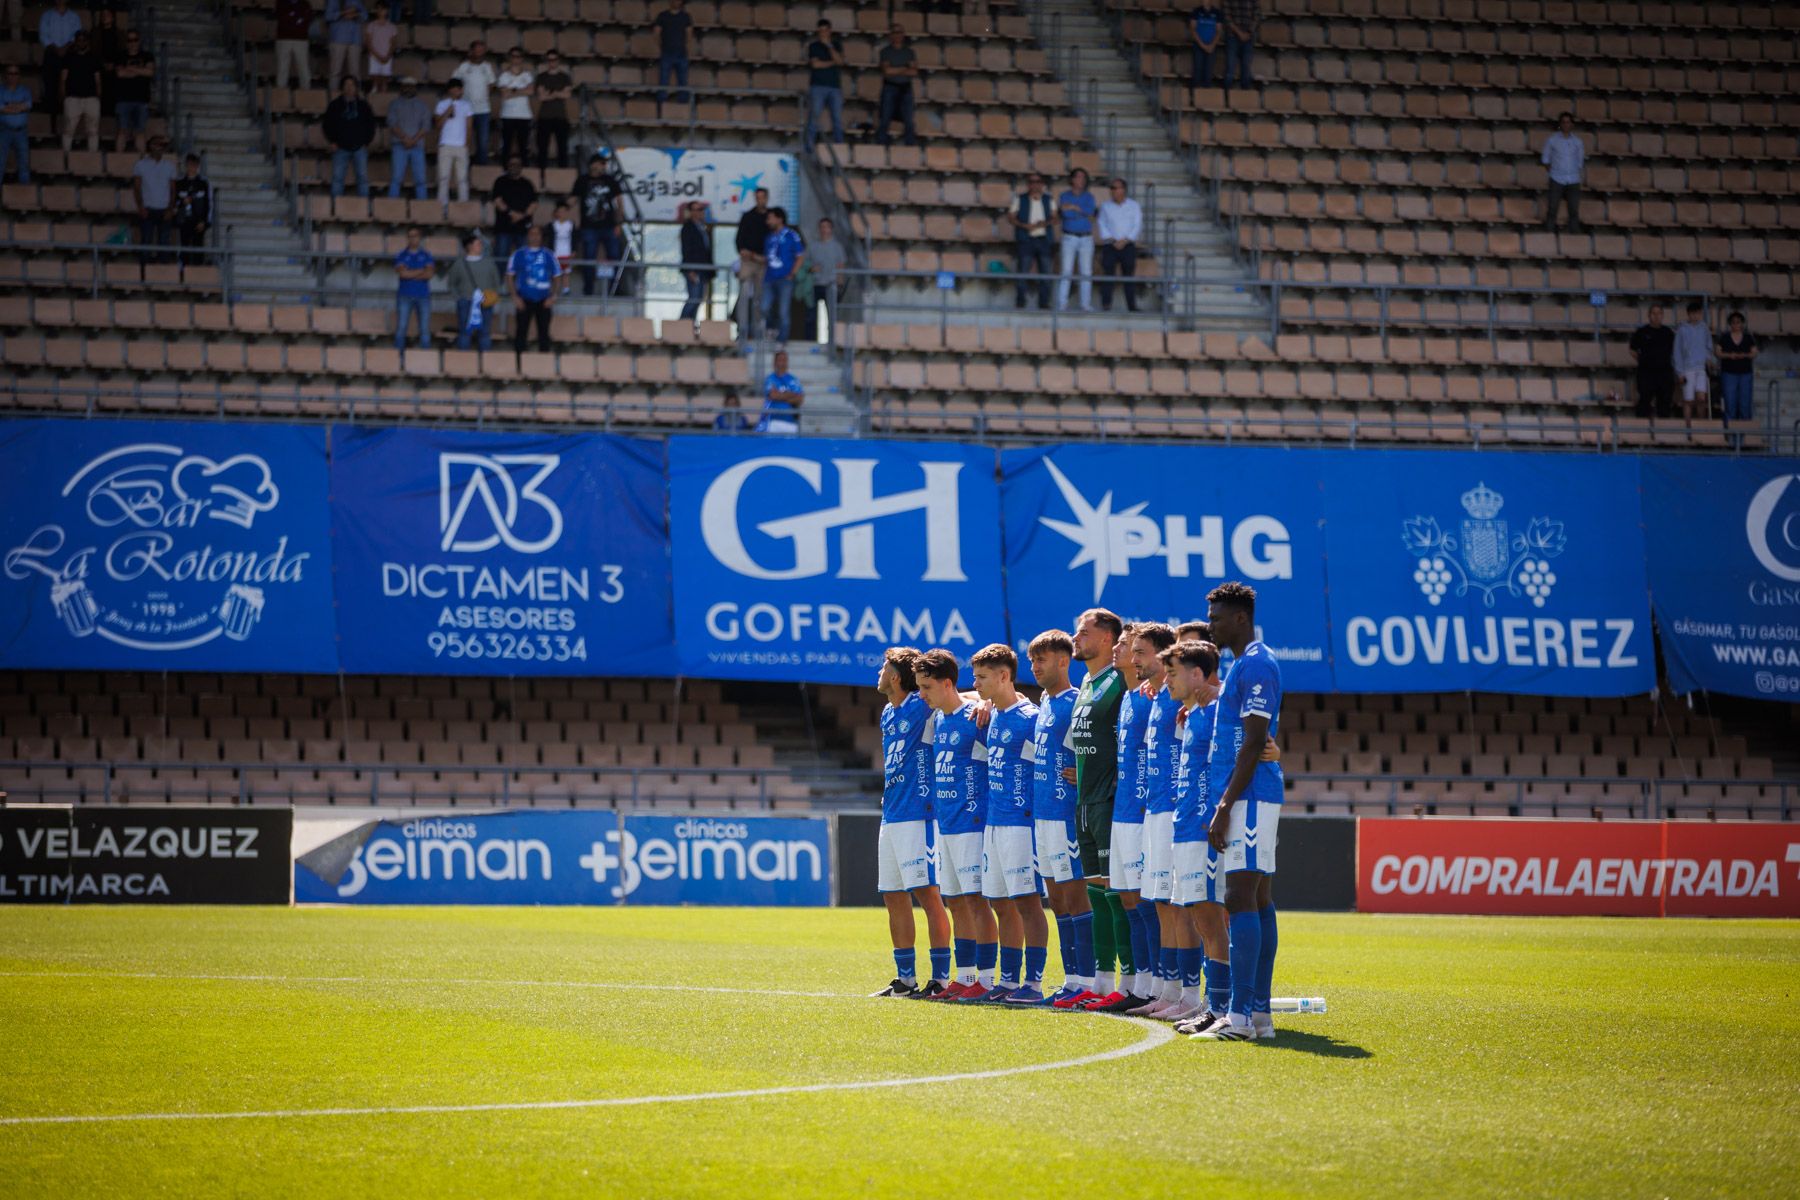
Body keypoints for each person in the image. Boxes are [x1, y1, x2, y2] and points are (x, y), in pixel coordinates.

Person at [1193, 581, 1283, 1042]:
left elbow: (1253, 741)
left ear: (1240, 619)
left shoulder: (1257, 665)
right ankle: (1259, 1015)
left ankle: (1242, 1016)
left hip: (1249, 798)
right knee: (1257, 899)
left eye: (1216, 618)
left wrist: (1226, 805)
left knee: (1239, 898)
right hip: (1249, 795)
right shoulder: (1242, 666)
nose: (1211, 626)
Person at [913, 648, 999, 1002]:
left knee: (976, 901)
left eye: (927, 687)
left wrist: (986, 702)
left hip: (972, 823)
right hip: (945, 823)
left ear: (948, 684)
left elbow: (1009, 701)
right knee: (954, 900)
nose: (922, 694)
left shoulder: (976, 717)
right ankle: (963, 977)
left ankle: (989, 978)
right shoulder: (938, 720)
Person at [1051, 607, 1127, 1010]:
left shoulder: (1119, 680)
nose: (1075, 638)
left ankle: (1131, 981)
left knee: (1117, 895)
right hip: (1085, 802)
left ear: (1105, 639)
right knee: (1096, 893)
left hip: (1110, 801)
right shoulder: (1087, 681)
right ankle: (1099, 982)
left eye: (1082, 633)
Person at [963, 643, 1047, 1005]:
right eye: (974, 677)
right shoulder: (992, 714)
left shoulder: (1030, 717)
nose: (976, 684)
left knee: (1027, 902)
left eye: (982, 677)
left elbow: (1041, 770)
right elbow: (958, 694)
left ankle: (1035, 982)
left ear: (1003, 676)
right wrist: (980, 700)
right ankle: (1009, 981)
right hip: (994, 823)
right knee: (998, 900)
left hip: (1020, 824)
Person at [870, 646, 954, 999]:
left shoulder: (922, 706)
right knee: (893, 896)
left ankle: (941, 980)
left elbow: (955, 697)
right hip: (891, 815)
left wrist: (981, 702)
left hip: (919, 816)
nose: (878, 672)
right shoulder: (888, 713)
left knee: (928, 896)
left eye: (883, 666)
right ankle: (905, 980)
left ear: (894, 675)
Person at [1023, 630, 1093, 1006]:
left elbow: (1102, 749)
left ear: (1063, 661)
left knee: (1075, 896)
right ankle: (1070, 980)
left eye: (1042, 660)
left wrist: (1088, 773)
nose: (1034, 667)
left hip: (1066, 816)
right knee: (1058, 900)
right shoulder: (1044, 704)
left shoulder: (1075, 703)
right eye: (1033, 660)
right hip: (1043, 816)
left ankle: (1087, 980)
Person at [1086, 624, 1152, 1013]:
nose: (1122, 651)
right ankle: (1137, 985)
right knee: (1128, 899)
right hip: (1122, 812)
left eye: (1130, 646)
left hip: (1144, 814)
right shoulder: (1129, 698)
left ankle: (1164, 986)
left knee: (1153, 902)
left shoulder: (1148, 699)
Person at [1120, 622, 1182, 1016]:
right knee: (1160, 902)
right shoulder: (1154, 698)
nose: (1134, 659)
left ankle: (1191, 995)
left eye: (1141, 652)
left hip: (1176, 814)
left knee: (1181, 905)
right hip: (1153, 811)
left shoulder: (1179, 700)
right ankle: (1168, 990)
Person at [506, 223, 560, 357]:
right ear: (527, 236)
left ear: (542, 237)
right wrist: (515, 297)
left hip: (543, 299)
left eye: (537, 234)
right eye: (532, 234)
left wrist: (553, 296)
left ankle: (543, 365)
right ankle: (519, 363)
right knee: (521, 332)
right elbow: (509, 277)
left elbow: (557, 277)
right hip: (524, 299)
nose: (534, 237)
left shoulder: (549, 255)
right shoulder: (518, 254)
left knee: (544, 333)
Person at [573, 152, 621, 297]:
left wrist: (619, 222)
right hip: (589, 226)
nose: (604, 167)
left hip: (609, 225)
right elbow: (574, 201)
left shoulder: (610, 180)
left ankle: (614, 290)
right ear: (593, 164)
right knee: (589, 258)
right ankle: (588, 290)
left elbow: (619, 202)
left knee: (614, 256)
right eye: (602, 163)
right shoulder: (582, 180)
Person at [446, 232, 501, 351]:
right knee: (465, 333)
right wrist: (459, 298)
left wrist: (492, 296)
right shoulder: (459, 264)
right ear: (469, 246)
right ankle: (464, 363)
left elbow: (496, 282)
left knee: (485, 333)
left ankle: (485, 363)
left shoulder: (489, 263)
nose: (480, 246)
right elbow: (451, 283)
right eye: (478, 244)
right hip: (466, 301)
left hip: (485, 302)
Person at [1008, 172, 1055, 310]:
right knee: (1023, 271)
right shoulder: (1020, 199)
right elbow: (1010, 217)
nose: (1035, 184)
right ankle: (1020, 302)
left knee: (1045, 272)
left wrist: (1044, 223)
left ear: (1042, 184)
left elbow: (1056, 218)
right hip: (1026, 239)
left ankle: (1044, 302)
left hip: (1043, 239)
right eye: (1032, 182)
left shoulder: (1048, 199)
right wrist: (1024, 226)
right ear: (1028, 184)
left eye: (1037, 181)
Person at [322, 75, 375, 198]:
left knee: (362, 178)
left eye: (352, 85)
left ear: (356, 88)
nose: (349, 88)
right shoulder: (334, 105)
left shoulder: (364, 106)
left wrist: (366, 142)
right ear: (342, 88)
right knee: (337, 178)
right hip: (340, 147)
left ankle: (364, 207)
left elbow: (371, 125)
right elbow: (327, 125)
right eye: (346, 85)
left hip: (360, 147)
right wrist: (332, 141)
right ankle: (335, 206)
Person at [1097, 177, 1142, 312]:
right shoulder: (1105, 206)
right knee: (1107, 275)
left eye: (1116, 188)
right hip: (1110, 245)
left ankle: (1132, 306)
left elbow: (1137, 225)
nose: (1113, 191)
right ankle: (1106, 305)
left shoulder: (1134, 205)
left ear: (1124, 190)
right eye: (1112, 188)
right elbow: (1102, 223)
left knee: (1129, 276)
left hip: (1128, 245)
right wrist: (1112, 240)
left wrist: (1126, 240)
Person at [760, 206, 804, 344]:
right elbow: (767, 258)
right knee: (764, 307)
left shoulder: (792, 235)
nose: (768, 221)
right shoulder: (768, 237)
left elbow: (800, 256)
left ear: (779, 218)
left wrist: (792, 274)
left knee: (783, 311)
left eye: (770, 218)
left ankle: (782, 340)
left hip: (785, 279)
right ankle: (771, 329)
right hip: (769, 278)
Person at [1056, 168, 1097, 313]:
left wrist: (1073, 207)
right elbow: (1066, 214)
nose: (1081, 180)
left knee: (1086, 272)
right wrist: (1079, 211)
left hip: (1086, 237)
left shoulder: (1089, 197)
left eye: (1083, 177)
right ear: (1072, 179)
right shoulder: (1064, 195)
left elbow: (1090, 212)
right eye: (1078, 177)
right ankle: (1062, 304)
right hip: (1069, 236)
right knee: (1066, 270)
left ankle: (1085, 304)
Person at [131, 136, 177, 258]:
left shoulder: (170, 166)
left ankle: (162, 273)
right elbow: (136, 188)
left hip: (164, 209)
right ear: (149, 146)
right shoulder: (140, 165)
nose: (158, 147)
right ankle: (144, 272)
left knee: (164, 243)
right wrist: (141, 207)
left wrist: (170, 209)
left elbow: (173, 190)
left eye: (161, 145)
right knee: (146, 241)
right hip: (148, 209)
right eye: (155, 144)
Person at [733, 186, 769, 340]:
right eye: (758, 197)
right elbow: (739, 239)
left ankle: (758, 330)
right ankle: (742, 329)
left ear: (766, 198)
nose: (760, 200)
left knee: (760, 298)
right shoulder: (747, 216)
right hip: (749, 262)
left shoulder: (770, 217)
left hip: (763, 263)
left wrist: (764, 257)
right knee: (744, 294)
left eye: (763, 197)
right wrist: (744, 251)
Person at [385, 76, 430, 200]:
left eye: (411, 86)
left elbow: (426, 126)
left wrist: (413, 140)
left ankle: (422, 208)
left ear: (415, 88)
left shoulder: (423, 105)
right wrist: (406, 139)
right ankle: (392, 208)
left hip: (417, 146)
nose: (408, 88)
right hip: (399, 145)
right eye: (405, 86)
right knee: (396, 178)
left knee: (420, 180)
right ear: (401, 88)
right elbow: (392, 124)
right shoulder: (394, 104)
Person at [1628, 303, 1675, 419]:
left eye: (1659, 313)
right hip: (1646, 372)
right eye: (1653, 313)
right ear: (1649, 315)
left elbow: (1675, 352)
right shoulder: (1641, 332)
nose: (1656, 316)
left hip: (1664, 372)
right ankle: (1641, 430)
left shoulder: (1668, 332)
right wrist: (1642, 360)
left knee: (1664, 402)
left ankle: (1663, 430)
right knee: (1644, 399)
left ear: (1662, 315)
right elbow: (1632, 350)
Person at [450, 41, 495, 164]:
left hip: (483, 110)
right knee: (463, 140)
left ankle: (480, 170)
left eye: (482, 50)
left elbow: (491, 84)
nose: (480, 53)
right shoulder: (463, 67)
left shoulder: (487, 66)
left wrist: (483, 96)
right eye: (478, 50)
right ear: (471, 51)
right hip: (465, 110)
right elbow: (454, 84)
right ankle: (462, 164)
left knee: (483, 142)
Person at [1716, 310, 1759, 440]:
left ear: (1742, 324)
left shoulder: (1748, 337)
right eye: (1733, 322)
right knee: (1730, 404)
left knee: (1745, 404)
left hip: (1745, 374)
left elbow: (1754, 353)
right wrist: (1730, 356)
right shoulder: (1724, 337)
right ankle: (1730, 435)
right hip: (1729, 374)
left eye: (1738, 322)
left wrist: (1743, 355)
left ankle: (1745, 437)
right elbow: (1717, 352)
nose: (1736, 325)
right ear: (1730, 324)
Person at [804, 19, 844, 152]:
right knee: (813, 118)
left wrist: (829, 46)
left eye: (825, 30)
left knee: (837, 119)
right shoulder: (813, 46)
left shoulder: (836, 45)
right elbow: (815, 64)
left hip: (835, 87)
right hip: (817, 86)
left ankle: (839, 147)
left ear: (830, 31)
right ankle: (809, 147)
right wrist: (832, 62)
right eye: (820, 30)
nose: (823, 33)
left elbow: (840, 61)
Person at [1540, 112, 1585, 234]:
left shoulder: (1578, 142)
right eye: (1564, 122)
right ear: (1560, 124)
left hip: (1573, 180)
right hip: (1556, 179)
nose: (1566, 124)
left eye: (1568, 122)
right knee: (1552, 208)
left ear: (1572, 124)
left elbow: (1580, 162)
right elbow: (1545, 159)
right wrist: (1554, 172)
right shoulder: (1552, 140)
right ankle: (1549, 234)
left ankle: (1575, 235)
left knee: (1574, 210)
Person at [875, 23, 918, 147]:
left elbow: (914, 71)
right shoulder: (885, 51)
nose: (897, 35)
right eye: (895, 32)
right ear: (890, 35)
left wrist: (896, 69)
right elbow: (887, 71)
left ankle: (910, 148)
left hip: (906, 88)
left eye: (899, 32)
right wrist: (905, 68)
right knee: (885, 119)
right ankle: (881, 147)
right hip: (890, 87)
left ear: (903, 35)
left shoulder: (910, 52)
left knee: (909, 121)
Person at [111, 30, 153, 154]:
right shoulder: (120, 56)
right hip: (123, 99)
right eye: (130, 40)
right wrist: (140, 70)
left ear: (139, 41)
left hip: (142, 100)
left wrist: (129, 68)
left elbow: (150, 72)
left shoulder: (147, 56)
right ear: (126, 42)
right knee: (122, 130)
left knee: (140, 131)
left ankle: (142, 162)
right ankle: (118, 160)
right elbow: (120, 73)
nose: (132, 43)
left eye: (135, 40)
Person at [392, 225, 434, 350]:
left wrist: (411, 273)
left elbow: (429, 274)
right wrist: (421, 270)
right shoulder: (401, 254)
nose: (412, 239)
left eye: (415, 236)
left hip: (423, 296)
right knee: (401, 327)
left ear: (420, 238)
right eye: (410, 236)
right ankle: (398, 358)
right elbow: (403, 274)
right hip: (404, 295)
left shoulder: (427, 254)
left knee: (425, 329)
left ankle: (426, 359)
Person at [1672, 300, 1714, 423]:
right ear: (1688, 314)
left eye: (1698, 313)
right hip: (1687, 369)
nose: (1695, 316)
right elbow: (1677, 352)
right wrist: (1680, 372)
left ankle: (1701, 425)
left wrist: (1708, 359)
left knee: (1701, 398)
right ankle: (1688, 427)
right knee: (1688, 399)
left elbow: (1708, 346)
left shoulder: (1704, 328)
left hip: (1701, 368)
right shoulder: (1682, 330)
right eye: (1693, 313)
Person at [490, 154, 537, 262]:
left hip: (523, 229)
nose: (514, 166)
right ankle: (500, 279)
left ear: (521, 167)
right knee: (501, 259)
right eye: (511, 164)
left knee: (524, 260)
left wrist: (522, 216)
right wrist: (512, 213)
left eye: (517, 164)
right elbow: (497, 201)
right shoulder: (500, 181)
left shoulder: (528, 184)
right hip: (503, 228)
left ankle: (522, 280)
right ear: (507, 166)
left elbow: (534, 204)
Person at [59, 31, 100, 154]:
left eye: (84, 40)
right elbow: (63, 78)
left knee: (92, 130)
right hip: (72, 98)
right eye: (79, 40)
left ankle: (92, 158)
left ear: (87, 41)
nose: (81, 42)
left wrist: (98, 97)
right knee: (69, 130)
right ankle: (65, 157)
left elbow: (98, 79)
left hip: (91, 98)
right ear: (76, 42)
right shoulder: (68, 57)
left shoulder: (94, 57)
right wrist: (63, 95)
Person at [433, 77, 473, 205]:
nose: (456, 92)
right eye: (453, 89)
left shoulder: (467, 105)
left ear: (461, 91)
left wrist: (466, 144)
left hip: (461, 146)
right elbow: (438, 125)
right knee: (443, 177)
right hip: (445, 145)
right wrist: (447, 112)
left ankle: (463, 205)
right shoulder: (442, 104)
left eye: (458, 90)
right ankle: (442, 205)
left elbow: (469, 126)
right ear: (449, 90)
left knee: (462, 178)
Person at [37, 0, 81, 112]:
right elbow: (43, 35)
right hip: (51, 54)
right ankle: (51, 114)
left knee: (69, 85)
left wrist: (65, 48)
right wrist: (57, 49)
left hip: (69, 54)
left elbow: (77, 36)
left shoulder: (74, 17)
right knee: (50, 86)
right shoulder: (46, 16)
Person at [808, 217, 845, 342]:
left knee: (831, 316)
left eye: (827, 227)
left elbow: (840, 266)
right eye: (822, 227)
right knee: (811, 315)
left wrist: (840, 283)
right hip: (816, 284)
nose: (824, 229)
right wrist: (811, 269)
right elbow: (806, 265)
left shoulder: (837, 247)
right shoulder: (813, 246)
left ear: (831, 229)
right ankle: (811, 340)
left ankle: (832, 341)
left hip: (831, 285)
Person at [533, 50, 571, 171]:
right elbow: (541, 97)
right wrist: (557, 93)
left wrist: (550, 93)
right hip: (544, 116)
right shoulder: (541, 76)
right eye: (549, 60)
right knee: (542, 148)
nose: (552, 62)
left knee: (562, 148)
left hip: (561, 116)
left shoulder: (565, 77)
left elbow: (567, 95)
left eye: (554, 59)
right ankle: (541, 173)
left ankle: (563, 174)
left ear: (558, 61)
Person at [171, 153, 212, 263]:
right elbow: (174, 202)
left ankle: (198, 273)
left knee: (198, 247)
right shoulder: (180, 183)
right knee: (184, 247)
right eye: (189, 165)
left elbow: (208, 203)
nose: (191, 167)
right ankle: (184, 272)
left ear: (198, 166)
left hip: (198, 221)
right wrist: (181, 203)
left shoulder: (203, 183)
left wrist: (204, 221)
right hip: (184, 220)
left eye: (194, 165)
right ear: (186, 165)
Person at [495, 48, 533, 163]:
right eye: (513, 56)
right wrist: (522, 90)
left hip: (524, 115)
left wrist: (512, 90)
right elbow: (504, 94)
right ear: (510, 58)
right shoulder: (504, 76)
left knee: (523, 146)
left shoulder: (527, 75)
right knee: (506, 145)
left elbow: (530, 91)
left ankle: (525, 169)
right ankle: (505, 169)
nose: (516, 59)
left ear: (522, 59)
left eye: (518, 56)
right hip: (507, 115)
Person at [652, 0, 691, 103]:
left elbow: (689, 34)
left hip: (681, 52)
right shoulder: (662, 16)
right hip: (667, 52)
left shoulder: (685, 16)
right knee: (663, 80)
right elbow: (656, 34)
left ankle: (683, 104)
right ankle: (661, 104)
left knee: (683, 80)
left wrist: (684, 45)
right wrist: (662, 47)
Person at [679, 199, 712, 321]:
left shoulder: (702, 227)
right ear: (691, 212)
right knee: (694, 299)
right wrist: (690, 270)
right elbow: (686, 250)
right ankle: (680, 326)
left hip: (702, 269)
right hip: (694, 270)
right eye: (697, 210)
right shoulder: (688, 228)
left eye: (701, 209)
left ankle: (689, 327)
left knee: (698, 300)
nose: (700, 212)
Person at [323, 0, 364, 95]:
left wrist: (355, 15)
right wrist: (343, 13)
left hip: (355, 39)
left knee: (355, 71)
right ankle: (333, 97)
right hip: (338, 39)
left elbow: (365, 16)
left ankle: (357, 98)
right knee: (335, 71)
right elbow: (328, 16)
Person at [757, 350, 802, 434]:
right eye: (780, 360)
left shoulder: (793, 379)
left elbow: (799, 399)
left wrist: (780, 395)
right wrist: (791, 395)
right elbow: (773, 395)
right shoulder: (770, 379)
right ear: (774, 362)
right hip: (773, 422)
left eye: (784, 360)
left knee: (791, 447)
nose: (782, 363)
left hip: (791, 422)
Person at [0, 65, 30, 184]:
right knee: (0, 162)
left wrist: (8, 107)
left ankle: (25, 196)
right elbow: (1, 109)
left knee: (24, 162)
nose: (13, 76)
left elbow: (27, 105)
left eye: (15, 73)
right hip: (4, 131)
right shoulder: (0, 90)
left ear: (19, 76)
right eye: (10, 73)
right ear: (5, 75)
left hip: (21, 132)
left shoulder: (25, 90)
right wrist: (18, 107)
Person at [275, 0, 314, 91]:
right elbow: (282, 18)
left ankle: (306, 90)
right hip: (283, 39)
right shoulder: (281, 3)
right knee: (282, 67)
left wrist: (292, 17)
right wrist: (297, 20)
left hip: (301, 40)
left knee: (303, 66)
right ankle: (280, 91)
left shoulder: (305, 4)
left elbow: (308, 18)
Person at [1221, 0, 1258, 93]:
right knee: (1230, 68)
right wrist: (1239, 33)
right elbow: (1227, 18)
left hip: (1248, 37)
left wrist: (1249, 32)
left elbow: (1257, 15)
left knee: (1246, 68)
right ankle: (1226, 94)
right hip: (1232, 36)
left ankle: (1245, 95)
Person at [363, 3, 398, 93]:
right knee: (375, 79)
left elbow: (393, 43)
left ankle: (383, 96)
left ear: (387, 11)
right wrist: (376, 55)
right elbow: (368, 42)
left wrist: (388, 55)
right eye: (378, 9)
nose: (381, 11)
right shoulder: (371, 25)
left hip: (387, 56)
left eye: (383, 9)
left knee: (385, 79)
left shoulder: (392, 27)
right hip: (374, 56)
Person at [1191, 4, 1221, 92]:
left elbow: (1218, 31)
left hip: (1211, 45)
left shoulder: (1217, 12)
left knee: (1208, 72)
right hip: (1199, 44)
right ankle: (1195, 95)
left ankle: (1206, 95)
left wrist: (1212, 45)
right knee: (1197, 70)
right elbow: (1193, 29)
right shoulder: (1196, 11)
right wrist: (1202, 45)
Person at [548, 199, 575, 296]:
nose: (562, 214)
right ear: (556, 213)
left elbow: (575, 239)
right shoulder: (552, 225)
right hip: (556, 253)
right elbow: (549, 239)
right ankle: (555, 290)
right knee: (555, 273)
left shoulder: (571, 225)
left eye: (564, 211)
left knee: (566, 272)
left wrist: (573, 251)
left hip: (567, 252)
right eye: (559, 211)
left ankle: (566, 289)